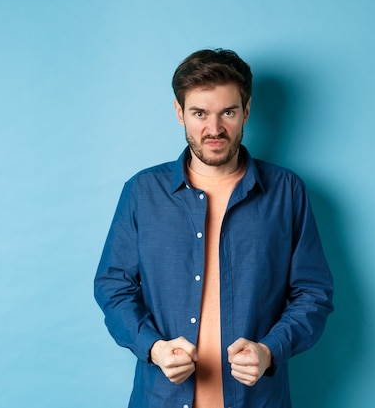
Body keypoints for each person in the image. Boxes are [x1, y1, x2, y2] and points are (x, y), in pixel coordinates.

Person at [94, 48, 334, 408]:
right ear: (180, 113)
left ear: (246, 111)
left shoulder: (286, 192)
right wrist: (154, 348)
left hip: (258, 400)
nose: (214, 129)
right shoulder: (143, 192)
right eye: (199, 113)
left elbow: (313, 293)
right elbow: (113, 287)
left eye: (228, 112)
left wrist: (270, 350)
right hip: (162, 398)